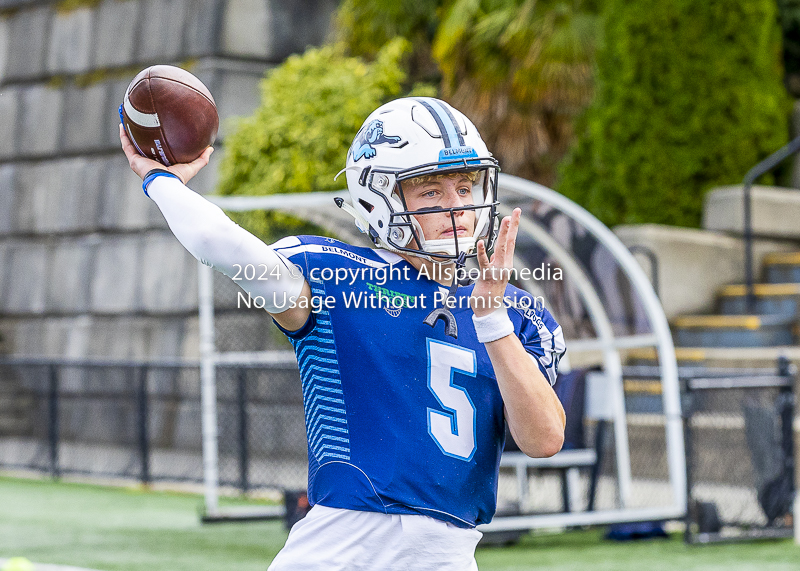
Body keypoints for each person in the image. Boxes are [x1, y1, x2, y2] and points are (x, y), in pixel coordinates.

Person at [120, 97, 567, 570]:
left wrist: (491, 321)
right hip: (342, 548)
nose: (457, 206)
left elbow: (543, 440)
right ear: (381, 198)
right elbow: (221, 247)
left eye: (464, 186)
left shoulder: (516, 313)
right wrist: (161, 181)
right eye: (431, 192)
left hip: (449, 555)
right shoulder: (336, 278)